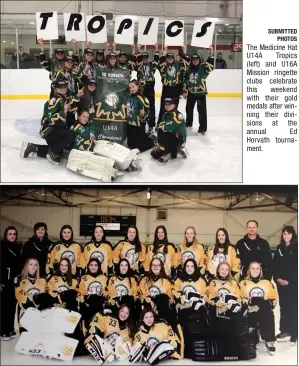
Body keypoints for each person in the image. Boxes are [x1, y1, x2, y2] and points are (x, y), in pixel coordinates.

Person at [205, 262, 256, 361]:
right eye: (222, 269)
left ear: (229, 272)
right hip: (217, 308)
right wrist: (219, 304)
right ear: (218, 270)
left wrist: (230, 305)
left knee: (237, 314)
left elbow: (239, 297)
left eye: (226, 269)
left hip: (231, 309)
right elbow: (209, 297)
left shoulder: (233, 283)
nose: (224, 271)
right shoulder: (212, 282)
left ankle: (240, 342)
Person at [20, 77, 75, 165]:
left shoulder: (62, 99)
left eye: (65, 86)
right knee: (70, 134)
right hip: (49, 129)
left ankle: (34, 147)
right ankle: (52, 153)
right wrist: (64, 112)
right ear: (56, 88)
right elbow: (51, 118)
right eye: (61, 86)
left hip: (55, 129)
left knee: (59, 150)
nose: (63, 88)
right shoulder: (54, 100)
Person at [240, 261, 278, 355]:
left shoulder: (267, 282)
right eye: (253, 268)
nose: (255, 270)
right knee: (252, 340)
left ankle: (269, 340)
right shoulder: (243, 283)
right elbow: (240, 299)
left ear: (260, 270)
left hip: (263, 311)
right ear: (249, 270)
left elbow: (273, 300)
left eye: (257, 268)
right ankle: (254, 333)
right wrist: (251, 305)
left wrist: (259, 304)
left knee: (268, 314)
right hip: (250, 311)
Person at [173, 258, 207, 358]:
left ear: (195, 268)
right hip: (184, 308)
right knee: (185, 317)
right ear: (184, 268)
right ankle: (186, 348)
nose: (189, 268)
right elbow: (174, 292)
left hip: (196, 308)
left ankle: (197, 347)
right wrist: (183, 300)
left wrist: (199, 301)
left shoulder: (200, 281)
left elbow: (204, 294)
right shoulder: (179, 280)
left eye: (192, 266)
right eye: (187, 266)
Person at [273, 225, 298, 345]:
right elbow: (275, 265)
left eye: (288, 233)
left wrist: (291, 280)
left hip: (293, 284)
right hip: (281, 283)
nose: (286, 236)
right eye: (284, 234)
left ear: (292, 235)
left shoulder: (297, 248)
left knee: (293, 307)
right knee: (284, 307)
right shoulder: (279, 248)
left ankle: (294, 333)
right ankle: (284, 331)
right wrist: (278, 278)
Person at [183, 49, 214, 134]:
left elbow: (211, 67)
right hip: (191, 93)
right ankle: (189, 123)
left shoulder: (203, 67)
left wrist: (211, 55)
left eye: (196, 60)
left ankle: (202, 128)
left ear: (199, 60)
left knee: (202, 111)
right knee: (189, 109)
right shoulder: (189, 69)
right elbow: (185, 80)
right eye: (193, 60)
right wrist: (185, 91)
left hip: (201, 93)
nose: (195, 61)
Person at [0, 226, 23, 340]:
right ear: (5, 235)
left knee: (12, 306)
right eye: (10, 234)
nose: (12, 236)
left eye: (14, 234)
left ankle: (10, 328)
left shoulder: (18, 247)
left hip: (15, 281)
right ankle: (2, 331)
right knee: (4, 306)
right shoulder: (2, 246)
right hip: (4, 281)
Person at [139, 258, 175, 327]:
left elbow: (170, 299)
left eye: (158, 265)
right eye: (153, 265)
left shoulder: (167, 282)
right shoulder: (144, 280)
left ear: (161, 267)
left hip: (162, 312)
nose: (155, 267)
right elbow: (142, 296)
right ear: (150, 266)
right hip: (148, 310)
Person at [14, 258, 47, 332]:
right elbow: (19, 297)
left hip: (39, 315)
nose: (33, 267)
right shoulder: (19, 279)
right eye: (31, 264)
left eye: (36, 265)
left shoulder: (42, 280)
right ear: (26, 266)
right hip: (24, 313)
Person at [157, 45, 188, 123]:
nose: (170, 59)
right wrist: (164, 52)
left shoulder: (178, 65)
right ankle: (161, 122)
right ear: (166, 59)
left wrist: (184, 52)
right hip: (166, 88)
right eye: (168, 58)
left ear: (173, 58)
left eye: (171, 58)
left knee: (174, 105)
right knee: (164, 106)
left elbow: (186, 64)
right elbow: (160, 63)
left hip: (175, 88)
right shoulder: (164, 66)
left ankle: (173, 121)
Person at [151, 98, 187, 163]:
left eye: (169, 104)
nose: (167, 106)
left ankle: (169, 152)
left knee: (162, 131)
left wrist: (161, 126)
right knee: (154, 154)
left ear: (174, 105)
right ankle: (175, 150)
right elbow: (161, 126)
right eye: (166, 104)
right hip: (171, 138)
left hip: (179, 140)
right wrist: (159, 144)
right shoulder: (165, 114)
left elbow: (169, 127)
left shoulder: (178, 115)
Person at [134, 44, 160, 130]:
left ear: (148, 58)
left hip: (149, 86)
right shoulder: (139, 66)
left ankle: (151, 124)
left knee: (151, 105)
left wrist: (156, 49)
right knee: (141, 104)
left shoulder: (152, 65)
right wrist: (138, 49)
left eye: (146, 57)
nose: (145, 59)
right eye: (143, 58)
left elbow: (157, 60)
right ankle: (140, 121)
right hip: (141, 87)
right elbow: (136, 58)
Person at [125, 80, 156, 152]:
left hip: (138, 124)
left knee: (138, 148)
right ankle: (145, 136)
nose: (131, 89)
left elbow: (148, 110)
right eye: (130, 87)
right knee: (130, 145)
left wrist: (144, 114)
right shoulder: (128, 97)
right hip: (129, 124)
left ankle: (152, 139)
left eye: (133, 86)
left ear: (138, 86)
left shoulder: (141, 98)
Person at [77, 258, 108, 328]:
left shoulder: (104, 278)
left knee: (96, 299)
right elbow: (80, 293)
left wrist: (103, 295)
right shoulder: (84, 278)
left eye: (95, 265)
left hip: (99, 303)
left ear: (99, 267)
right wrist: (85, 299)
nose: (93, 267)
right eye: (91, 265)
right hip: (87, 304)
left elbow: (106, 292)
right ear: (88, 266)